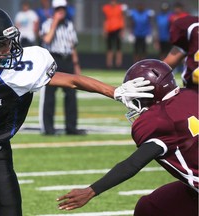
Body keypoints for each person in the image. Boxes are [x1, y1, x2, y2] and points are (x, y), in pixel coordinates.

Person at [0, 5, 154, 216]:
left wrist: (113, 92)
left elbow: (72, 80)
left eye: (9, 42)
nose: (8, 49)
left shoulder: (21, 70)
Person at [57, 59, 198, 216]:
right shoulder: (190, 96)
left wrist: (91, 191)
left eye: (135, 98)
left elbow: (133, 163)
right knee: (150, 207)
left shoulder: (159, 121)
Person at [39, 0, 84, 135]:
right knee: (50, 95)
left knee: (71, 94)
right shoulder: (47, 24)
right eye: (58, 9)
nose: (61, 11)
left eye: (63, 9)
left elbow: (72, 46)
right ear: (54, 10)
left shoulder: (69, 25)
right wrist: (55, 22)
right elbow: (47, 40)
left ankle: (71, 127)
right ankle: (49, 128)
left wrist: (76, 65)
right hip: (54, 59)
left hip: (67, 60)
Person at [163, 15, 198, 90]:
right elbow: (167, 64)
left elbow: (166, 65)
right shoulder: (191, 27)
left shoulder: (192, 26)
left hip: (193, 93)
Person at [101, 0, 127, 68]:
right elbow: (105, 19)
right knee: (109, 48)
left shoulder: (120, 8)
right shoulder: (106, 8)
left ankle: (119, 63)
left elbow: (122, 18)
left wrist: (122, 30)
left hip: (118, 29)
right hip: (109, 29)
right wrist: (104, 29)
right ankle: (109, 64)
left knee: (118, 47)